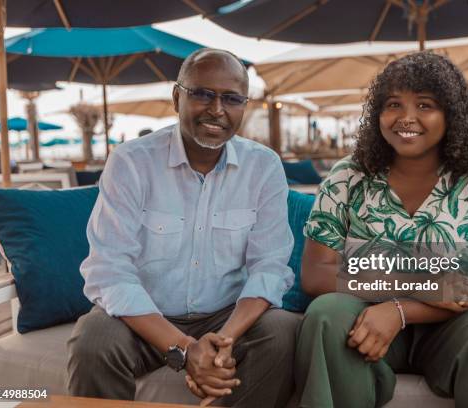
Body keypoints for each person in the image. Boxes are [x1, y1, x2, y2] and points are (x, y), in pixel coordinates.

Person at [295, 52, 468, 408]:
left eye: (425, 105)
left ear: (451, 114)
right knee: (326, 314)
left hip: (464, 325)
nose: (406, 117)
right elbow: (316, 273)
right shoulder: (348, 176)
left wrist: (401, 310)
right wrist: (418, 287)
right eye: (393, 104)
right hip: (365, 323)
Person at [68, 48, 299, 408]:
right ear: (178, 96)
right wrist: (186, 348)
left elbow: (269, 267)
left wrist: (220, 343)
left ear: (244, 105)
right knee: (94, 338)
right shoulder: (131, 162)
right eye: (203, 94)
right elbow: (110, 272)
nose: (217, 109)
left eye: (231, 98)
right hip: (145, 317)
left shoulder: (264, 167)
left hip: (227, 316)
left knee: (283, 331)